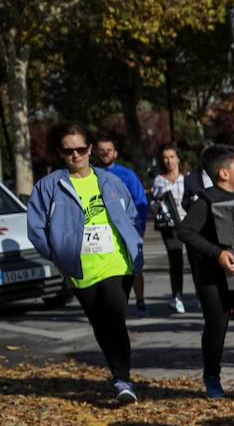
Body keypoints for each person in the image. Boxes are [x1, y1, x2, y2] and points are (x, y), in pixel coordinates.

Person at [26, 123, 143, 404]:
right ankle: (118, 374)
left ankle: (122, 380)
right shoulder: (49, 187)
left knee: (115, 317)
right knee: (101, 324)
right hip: (80, 269)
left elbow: (133, 213)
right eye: (69, 151)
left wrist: (132, 241)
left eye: (81, 149)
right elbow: (36, 228)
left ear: (90, 149)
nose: (76, 155)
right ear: (61, 154)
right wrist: (59, 256)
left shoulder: (110, 181)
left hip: (117, 262)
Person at [177, 144, 234, 399]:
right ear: (223, 174)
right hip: (213, 280)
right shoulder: (205, 200)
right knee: (216, 328)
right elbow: (185, 232)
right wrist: (217, 253)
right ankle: (212, 378)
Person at [92, 135, 149, 316]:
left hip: (128, 229)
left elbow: (141, 201)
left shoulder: (127, 175)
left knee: (135, 267)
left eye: (109, 150)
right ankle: (114, 304)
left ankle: (140, 300)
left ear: (115, 153)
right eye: (101, 150)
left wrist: (138, 229)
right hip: (102, 232)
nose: (105, 153)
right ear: (95, 152)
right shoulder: (89, 174)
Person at [150, 143, 189, 314]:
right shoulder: (159, 180)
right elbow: (153, 203)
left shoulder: (187, 178)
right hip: (170, 225)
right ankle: (177, 297)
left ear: (178, 158)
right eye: (165, 157)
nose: (169, 161)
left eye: (172, 157)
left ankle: (203, 296)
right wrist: (157, 205)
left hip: (189, 222)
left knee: (197, 261)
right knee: (175, 260)